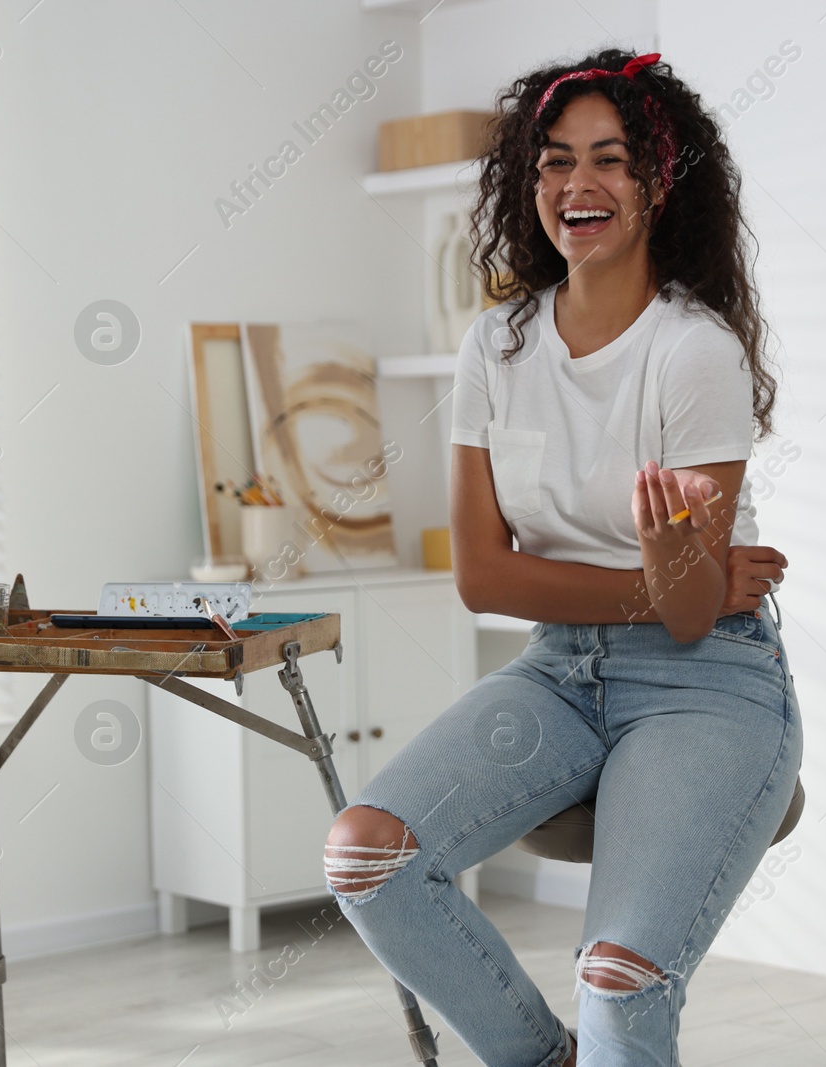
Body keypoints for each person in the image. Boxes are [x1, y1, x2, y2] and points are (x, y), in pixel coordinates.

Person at [323, 49, 799, 1067]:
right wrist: (674, 579)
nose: (575, 184)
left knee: (618, 977)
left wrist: (691, 592)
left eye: (609, 160)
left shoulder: (693, 353)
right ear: (524, 182)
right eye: (552, 162)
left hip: (707, 682)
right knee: (368, 855)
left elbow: (685, 625)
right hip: (558, 669)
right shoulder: (495, 344)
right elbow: (483, 579)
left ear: (660, 183)